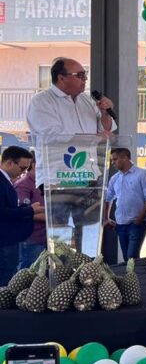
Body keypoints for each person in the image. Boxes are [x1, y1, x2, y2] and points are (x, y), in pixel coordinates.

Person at [26, 58, 116, 185]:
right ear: (61, 78)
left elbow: (105, 131)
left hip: (89, 176)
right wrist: (96, 139)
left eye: (85, 75)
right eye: (79, 75)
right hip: (58, 178)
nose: (85, 79)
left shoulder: (87, 101)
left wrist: (105, 113)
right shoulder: (42, 101)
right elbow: (54, 136)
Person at [103, 148, 146, 262]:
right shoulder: (115, 178)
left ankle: (137, 278)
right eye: (112, 160)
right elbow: (108, 198)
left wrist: (141, 218)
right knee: (127, 257)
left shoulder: (143, 174)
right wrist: (106, 218)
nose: (113, 163)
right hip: (121, 223)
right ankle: (133, 278)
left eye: (115, 159)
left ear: (125, 158)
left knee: (132, 256)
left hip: (138, 222)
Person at [0, 147, 40, 285]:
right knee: (5, 278)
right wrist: (29, 210)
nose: (24, 172)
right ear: (10, 163)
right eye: (23, 168)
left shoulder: (6, 181)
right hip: (4, 240)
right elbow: (3, 212)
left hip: (9, 240)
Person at [14, 156, 46, 272]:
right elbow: (21, 212)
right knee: (28, 273)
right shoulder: (24, 184)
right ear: (34, 164)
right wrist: (49, 218)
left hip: (46, 237)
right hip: (32, 239)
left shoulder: (44, 182)